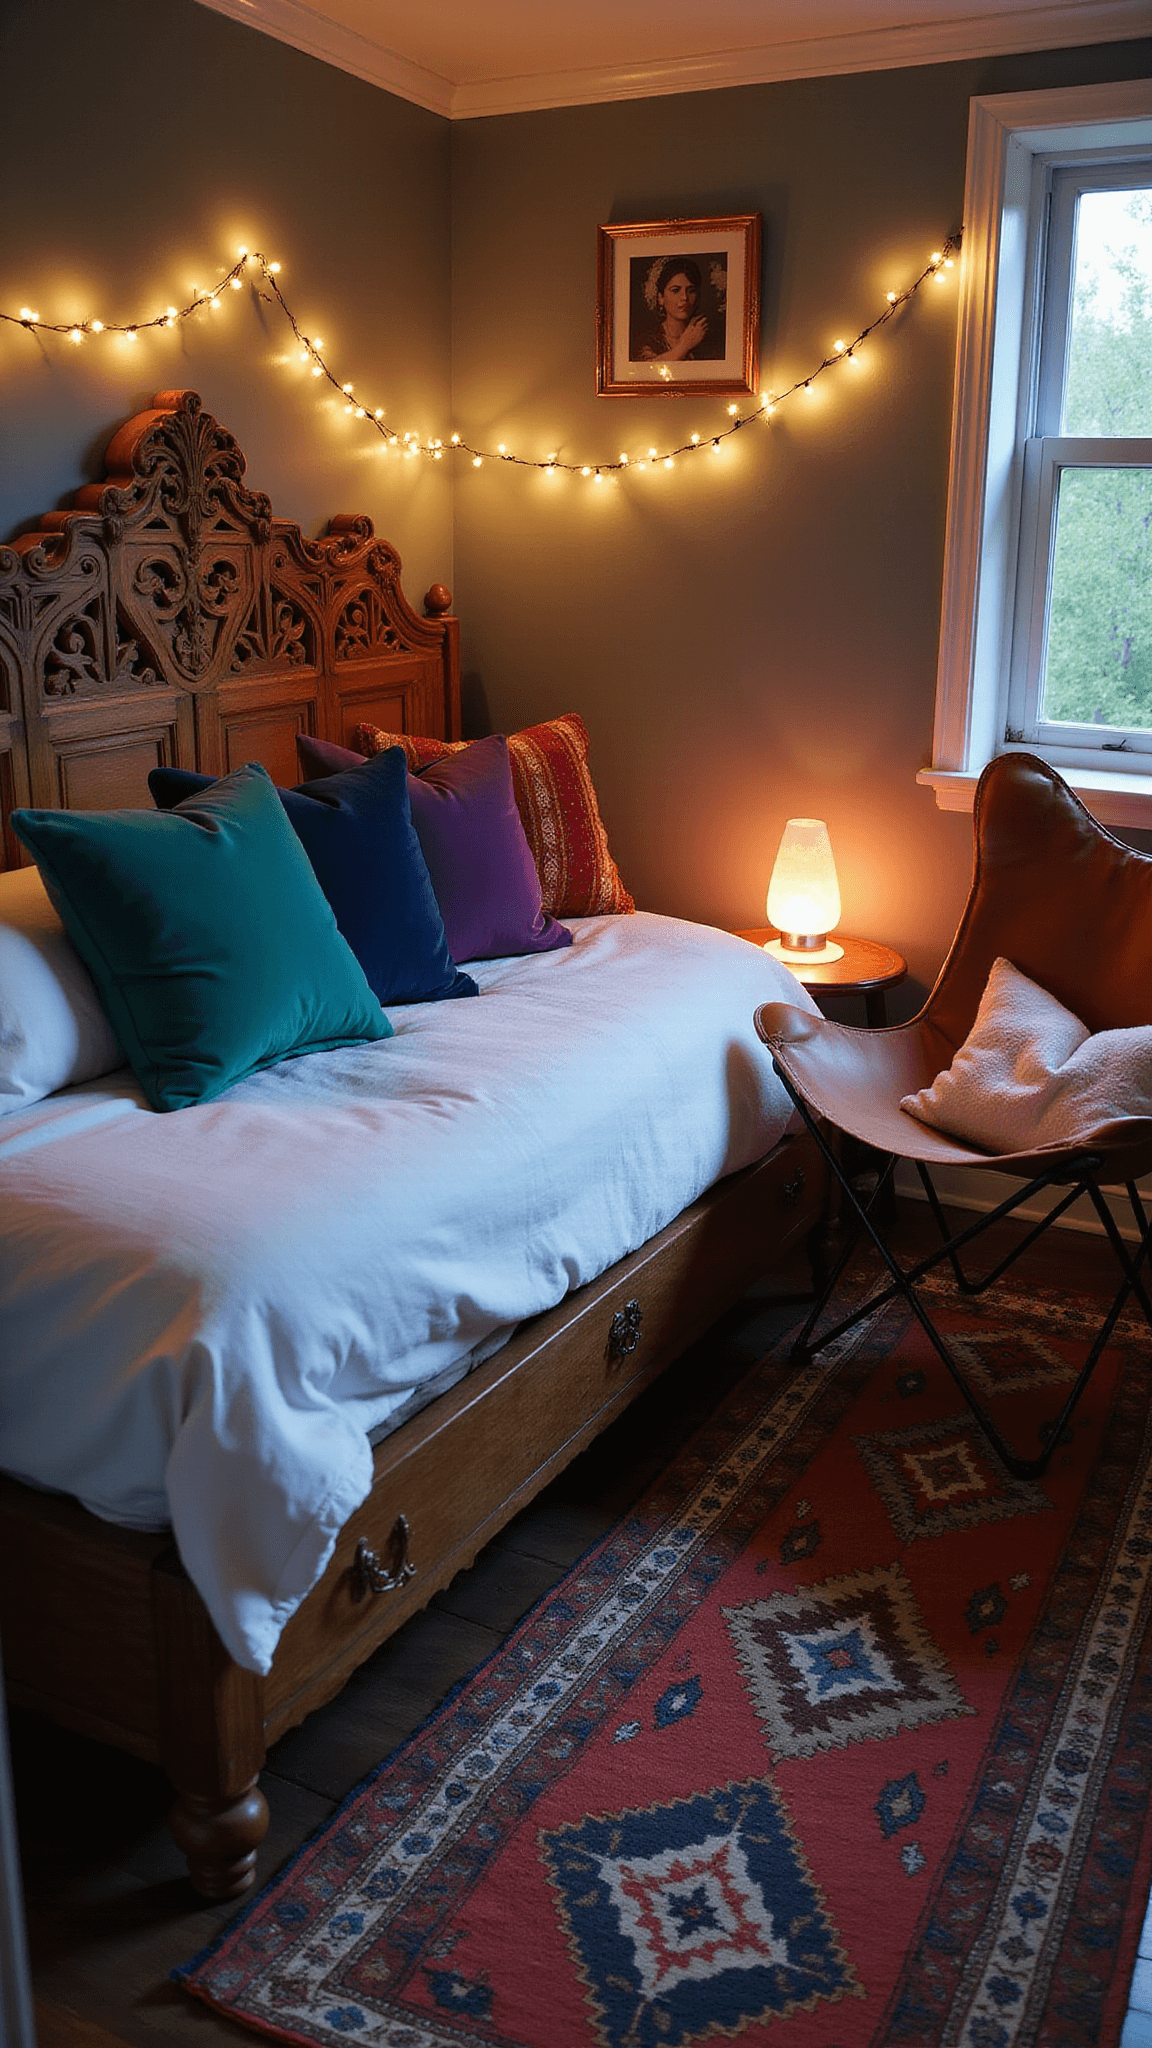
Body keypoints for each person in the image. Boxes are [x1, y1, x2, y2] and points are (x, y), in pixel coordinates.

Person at [636, 256, 718, 362]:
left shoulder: (710, 339)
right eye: (675, 290)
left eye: (691, 290)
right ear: (661, 298)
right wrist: (684, 346)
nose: (684, 297)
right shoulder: (648, 342)